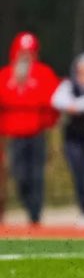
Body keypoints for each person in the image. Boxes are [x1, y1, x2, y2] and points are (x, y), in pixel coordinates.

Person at [0, 32, 60, 226]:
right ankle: (26, 203)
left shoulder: (44, 73)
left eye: (30, 53)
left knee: (36, 175)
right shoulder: (6, 75)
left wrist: (48, 123)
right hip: (14, 134)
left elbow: (53, 100)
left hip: (36, 133)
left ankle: (35, 215)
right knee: (18, 174)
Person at [51, 52, 84, 222]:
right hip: (73, 137)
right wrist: (72, 105)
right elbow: (56, 100)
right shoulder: (68, 85)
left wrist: (76, 105)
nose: (83, 75)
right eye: (80, 71)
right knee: (79, 174)